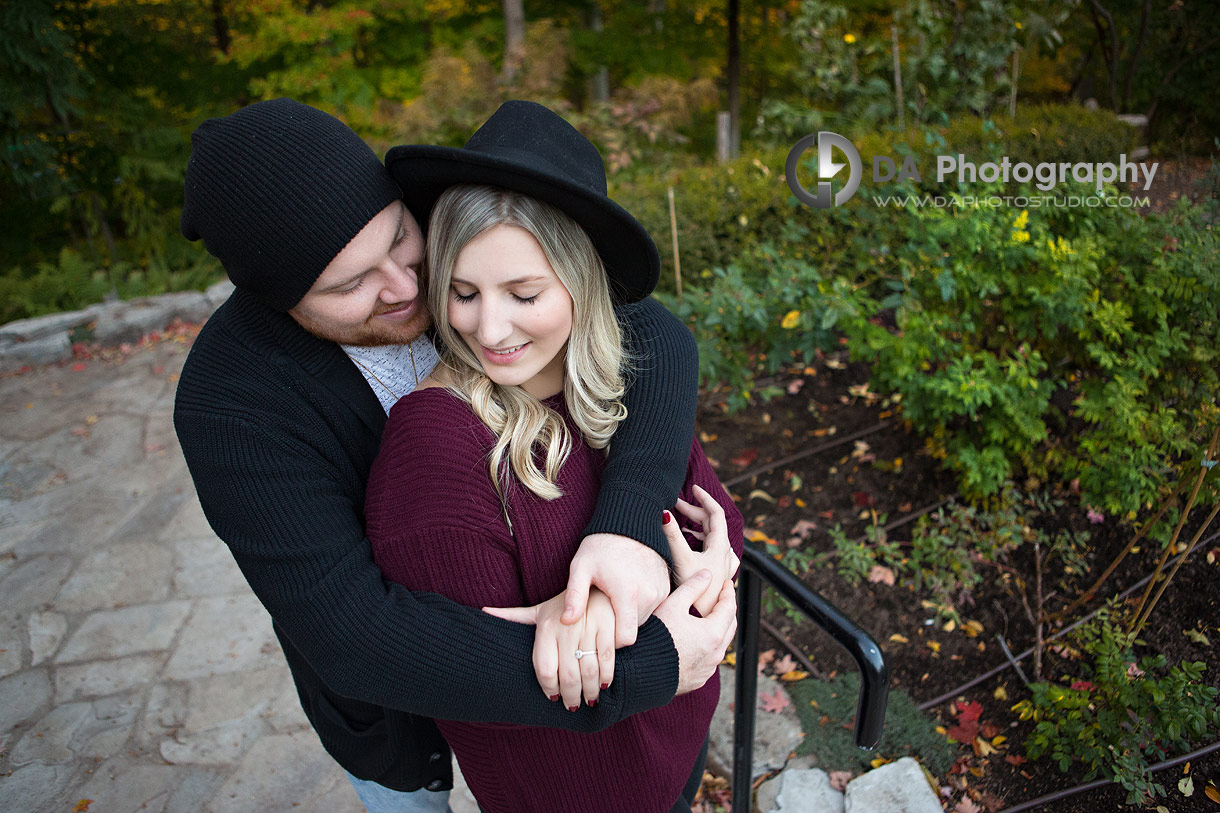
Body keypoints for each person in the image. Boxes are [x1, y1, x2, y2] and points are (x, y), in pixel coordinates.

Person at [173, 97, 738, 811]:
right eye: (351, 284)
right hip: (397, 714)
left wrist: (629, 529)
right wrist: (641, 662)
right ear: (277, 299)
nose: (409, 288)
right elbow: (355, 634)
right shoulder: (231, 406)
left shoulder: (454, 232)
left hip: (558, 722)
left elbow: (648, 332)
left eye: (402, 239)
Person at [365, 100, 745, 812]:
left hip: (676, 740)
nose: (490, 327)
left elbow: (709, 513)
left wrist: (711, 568)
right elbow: (485, 688)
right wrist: (618, 615)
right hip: (581, 791)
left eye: (524, 292)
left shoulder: (617, 377)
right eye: (463, 292)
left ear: (583, 280)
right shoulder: (437, 452)